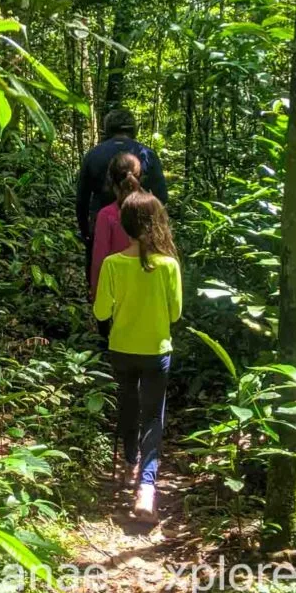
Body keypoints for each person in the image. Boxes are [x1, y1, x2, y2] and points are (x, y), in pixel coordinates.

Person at [93, 190, 182, 519]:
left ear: (125, 226)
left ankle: (130, 464)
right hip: (156, 352)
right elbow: (174, 315)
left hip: (121, 349)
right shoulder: (169, 266)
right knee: (152, 417)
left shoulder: (112, 265)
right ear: (158, 224)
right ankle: (146, 487)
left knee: (128, 406)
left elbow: (102, 312)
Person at [76, 108, 168, 282]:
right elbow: (162, 197)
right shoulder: (148, 155)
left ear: (107, 129)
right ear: (133, 129)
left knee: (102, 274)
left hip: (101, 225)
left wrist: (85, 232)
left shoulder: (93, 154)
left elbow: (82, 200)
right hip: (140, 227)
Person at [89, 152, 141, 298]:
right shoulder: (152, 207)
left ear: (111, 181)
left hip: (117, 291)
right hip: (150, 288)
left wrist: (96, 291)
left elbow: (100, 257)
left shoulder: (107, 215)